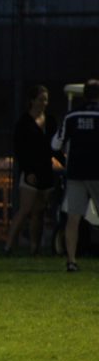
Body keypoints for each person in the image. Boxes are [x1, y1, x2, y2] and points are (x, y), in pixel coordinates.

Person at [51, 79, 99, 272]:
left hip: (76, 173)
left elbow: (55, 144)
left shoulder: (71, 116)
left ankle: (71, 260)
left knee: (73, 218)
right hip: (97, 172)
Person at [4, 85, 55, 256]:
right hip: (31, 172)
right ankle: (8, 246)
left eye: (46, 99)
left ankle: (35, 248)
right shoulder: (24, 123)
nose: (44, 103)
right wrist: (28, 171)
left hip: (46, 171)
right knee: (25, 209)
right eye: (41, 99)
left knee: (39, 211)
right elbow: (19, 150)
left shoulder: (49, 121)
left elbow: (54, 147)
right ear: (32, 101)